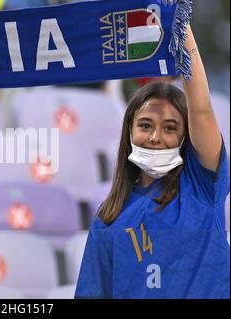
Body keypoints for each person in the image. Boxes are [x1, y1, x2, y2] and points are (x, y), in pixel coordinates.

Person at [75, 24, 230, 298]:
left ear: (186, 138)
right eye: (145, 125)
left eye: (170, 128)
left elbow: (202, 109)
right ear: (129, 133)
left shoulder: (202, 187)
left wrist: (179, 24)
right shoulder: (107, 219)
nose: (156, 137)